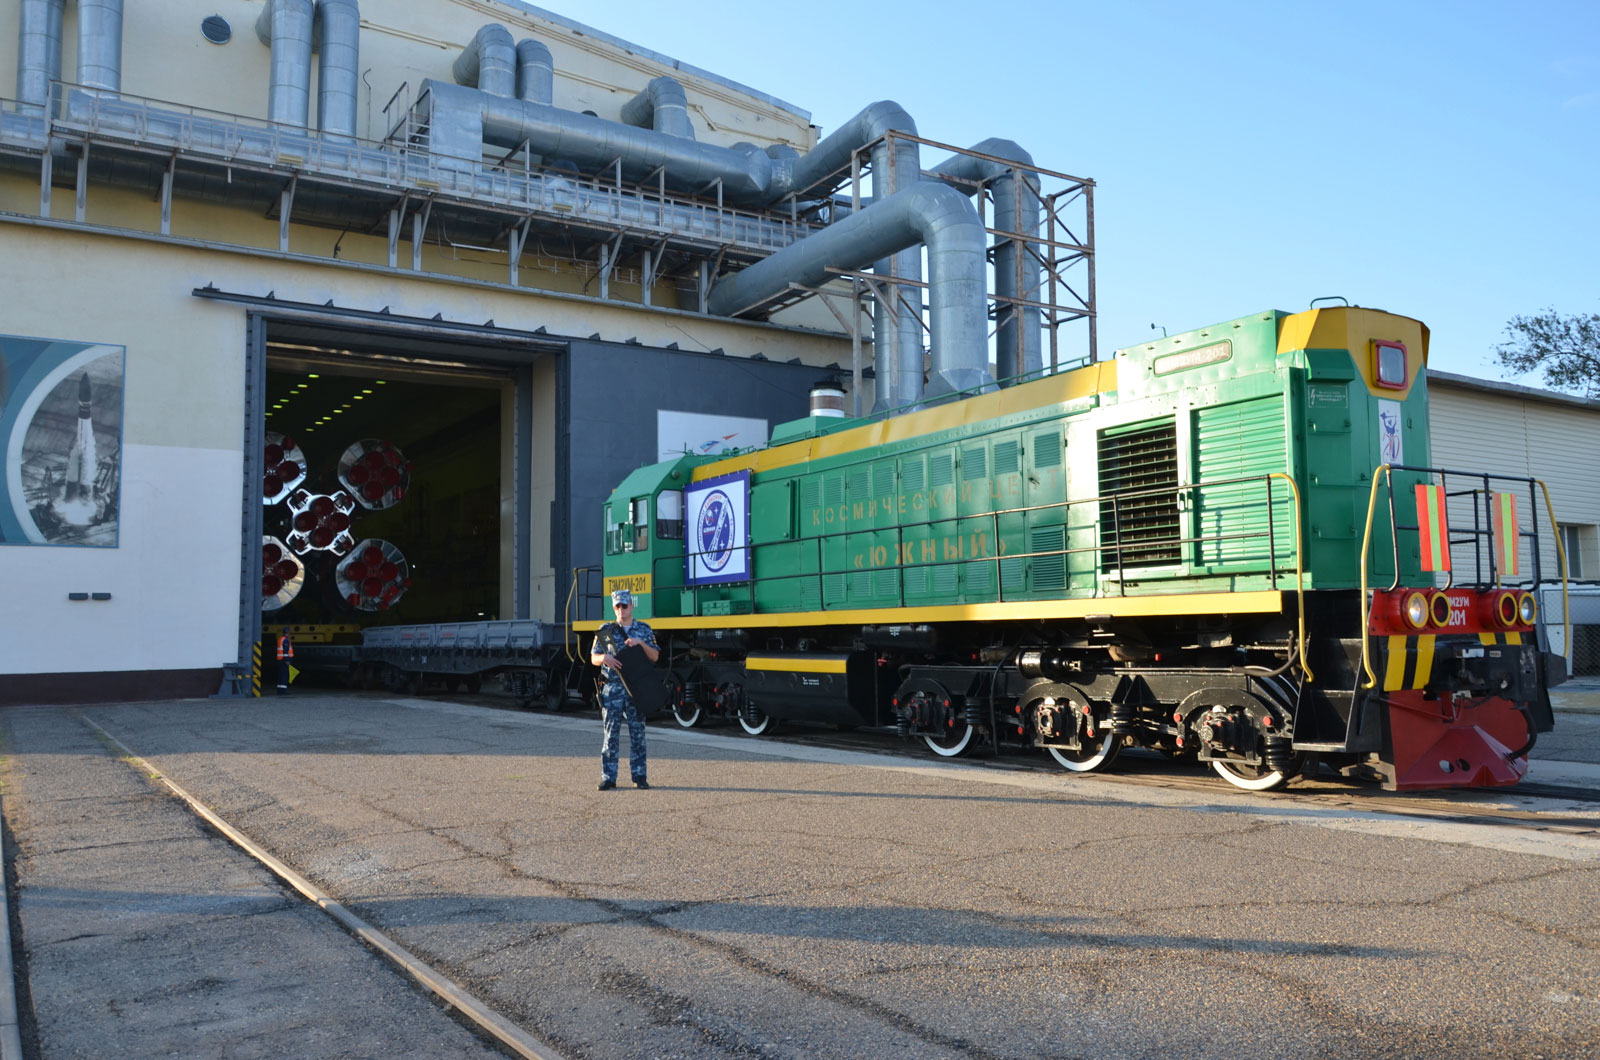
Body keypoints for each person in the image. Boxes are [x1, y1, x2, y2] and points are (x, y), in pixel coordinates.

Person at [590, 589, 658, 790]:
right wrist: (604, 658)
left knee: (638, 734)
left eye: (624, 605)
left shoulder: (644, 630)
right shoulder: (605, 630)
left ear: (632, 606)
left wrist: (640, 643)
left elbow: (654, 656)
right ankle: (608, 777)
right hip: (612, 689)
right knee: (610, 735)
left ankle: (639, 776)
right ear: (614, 608)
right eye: (617, 606)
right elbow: (593, 658)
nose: (621, 609)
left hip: (635, 689)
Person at [276, 627, 294, 695]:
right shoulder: (286, 640)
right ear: (288, 633)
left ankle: (279, 690)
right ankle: (283, 691)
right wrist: (287, 660)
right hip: (284, 660)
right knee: (284, 676)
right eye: (289, 633)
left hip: (280, 659)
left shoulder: (280, 639)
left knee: (281, 675)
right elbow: (285, 651)